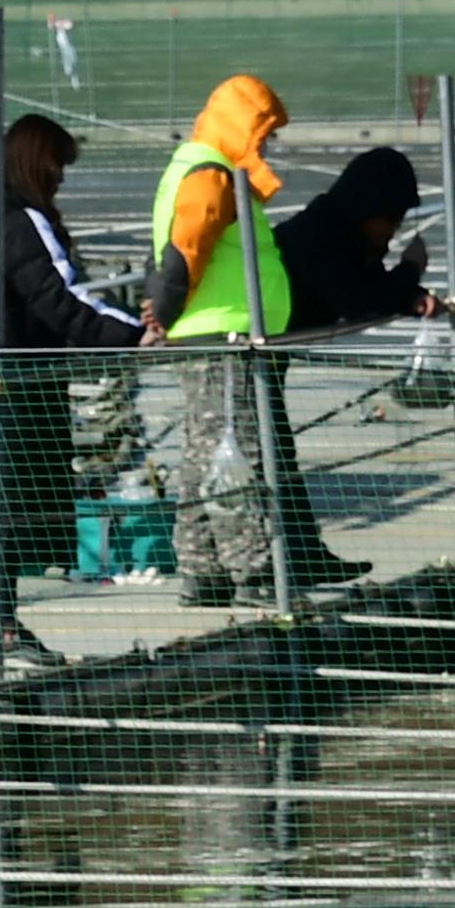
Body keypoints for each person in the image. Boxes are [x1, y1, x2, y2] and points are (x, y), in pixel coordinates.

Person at [142, 75, 363, 606]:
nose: (266, 145)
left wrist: (168, 317)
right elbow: (185, 250)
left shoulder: (201, 168)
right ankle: (254, 572)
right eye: (261, 133)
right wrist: (162, 315)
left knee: (204, 453)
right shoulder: (210, 174)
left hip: (213, 332)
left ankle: (203, 569)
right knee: (239, 454)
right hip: (225, 334)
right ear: (239, 126)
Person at [0, 113, 146, 664]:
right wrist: (133, 334)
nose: (62, 179)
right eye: (57, 166)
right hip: (10, 388)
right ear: (35, 162)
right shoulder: (22, 222)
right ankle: (2, 626)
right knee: (7, 502)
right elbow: (62, 298)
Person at [277, 147, 436, 333]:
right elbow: (359, 302)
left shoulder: (348, 233)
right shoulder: (320, 237)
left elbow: (377, 289)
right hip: (255, 344)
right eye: (391, 218)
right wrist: (410, 269)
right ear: (367, 207)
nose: (393, 229)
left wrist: (413, 298)